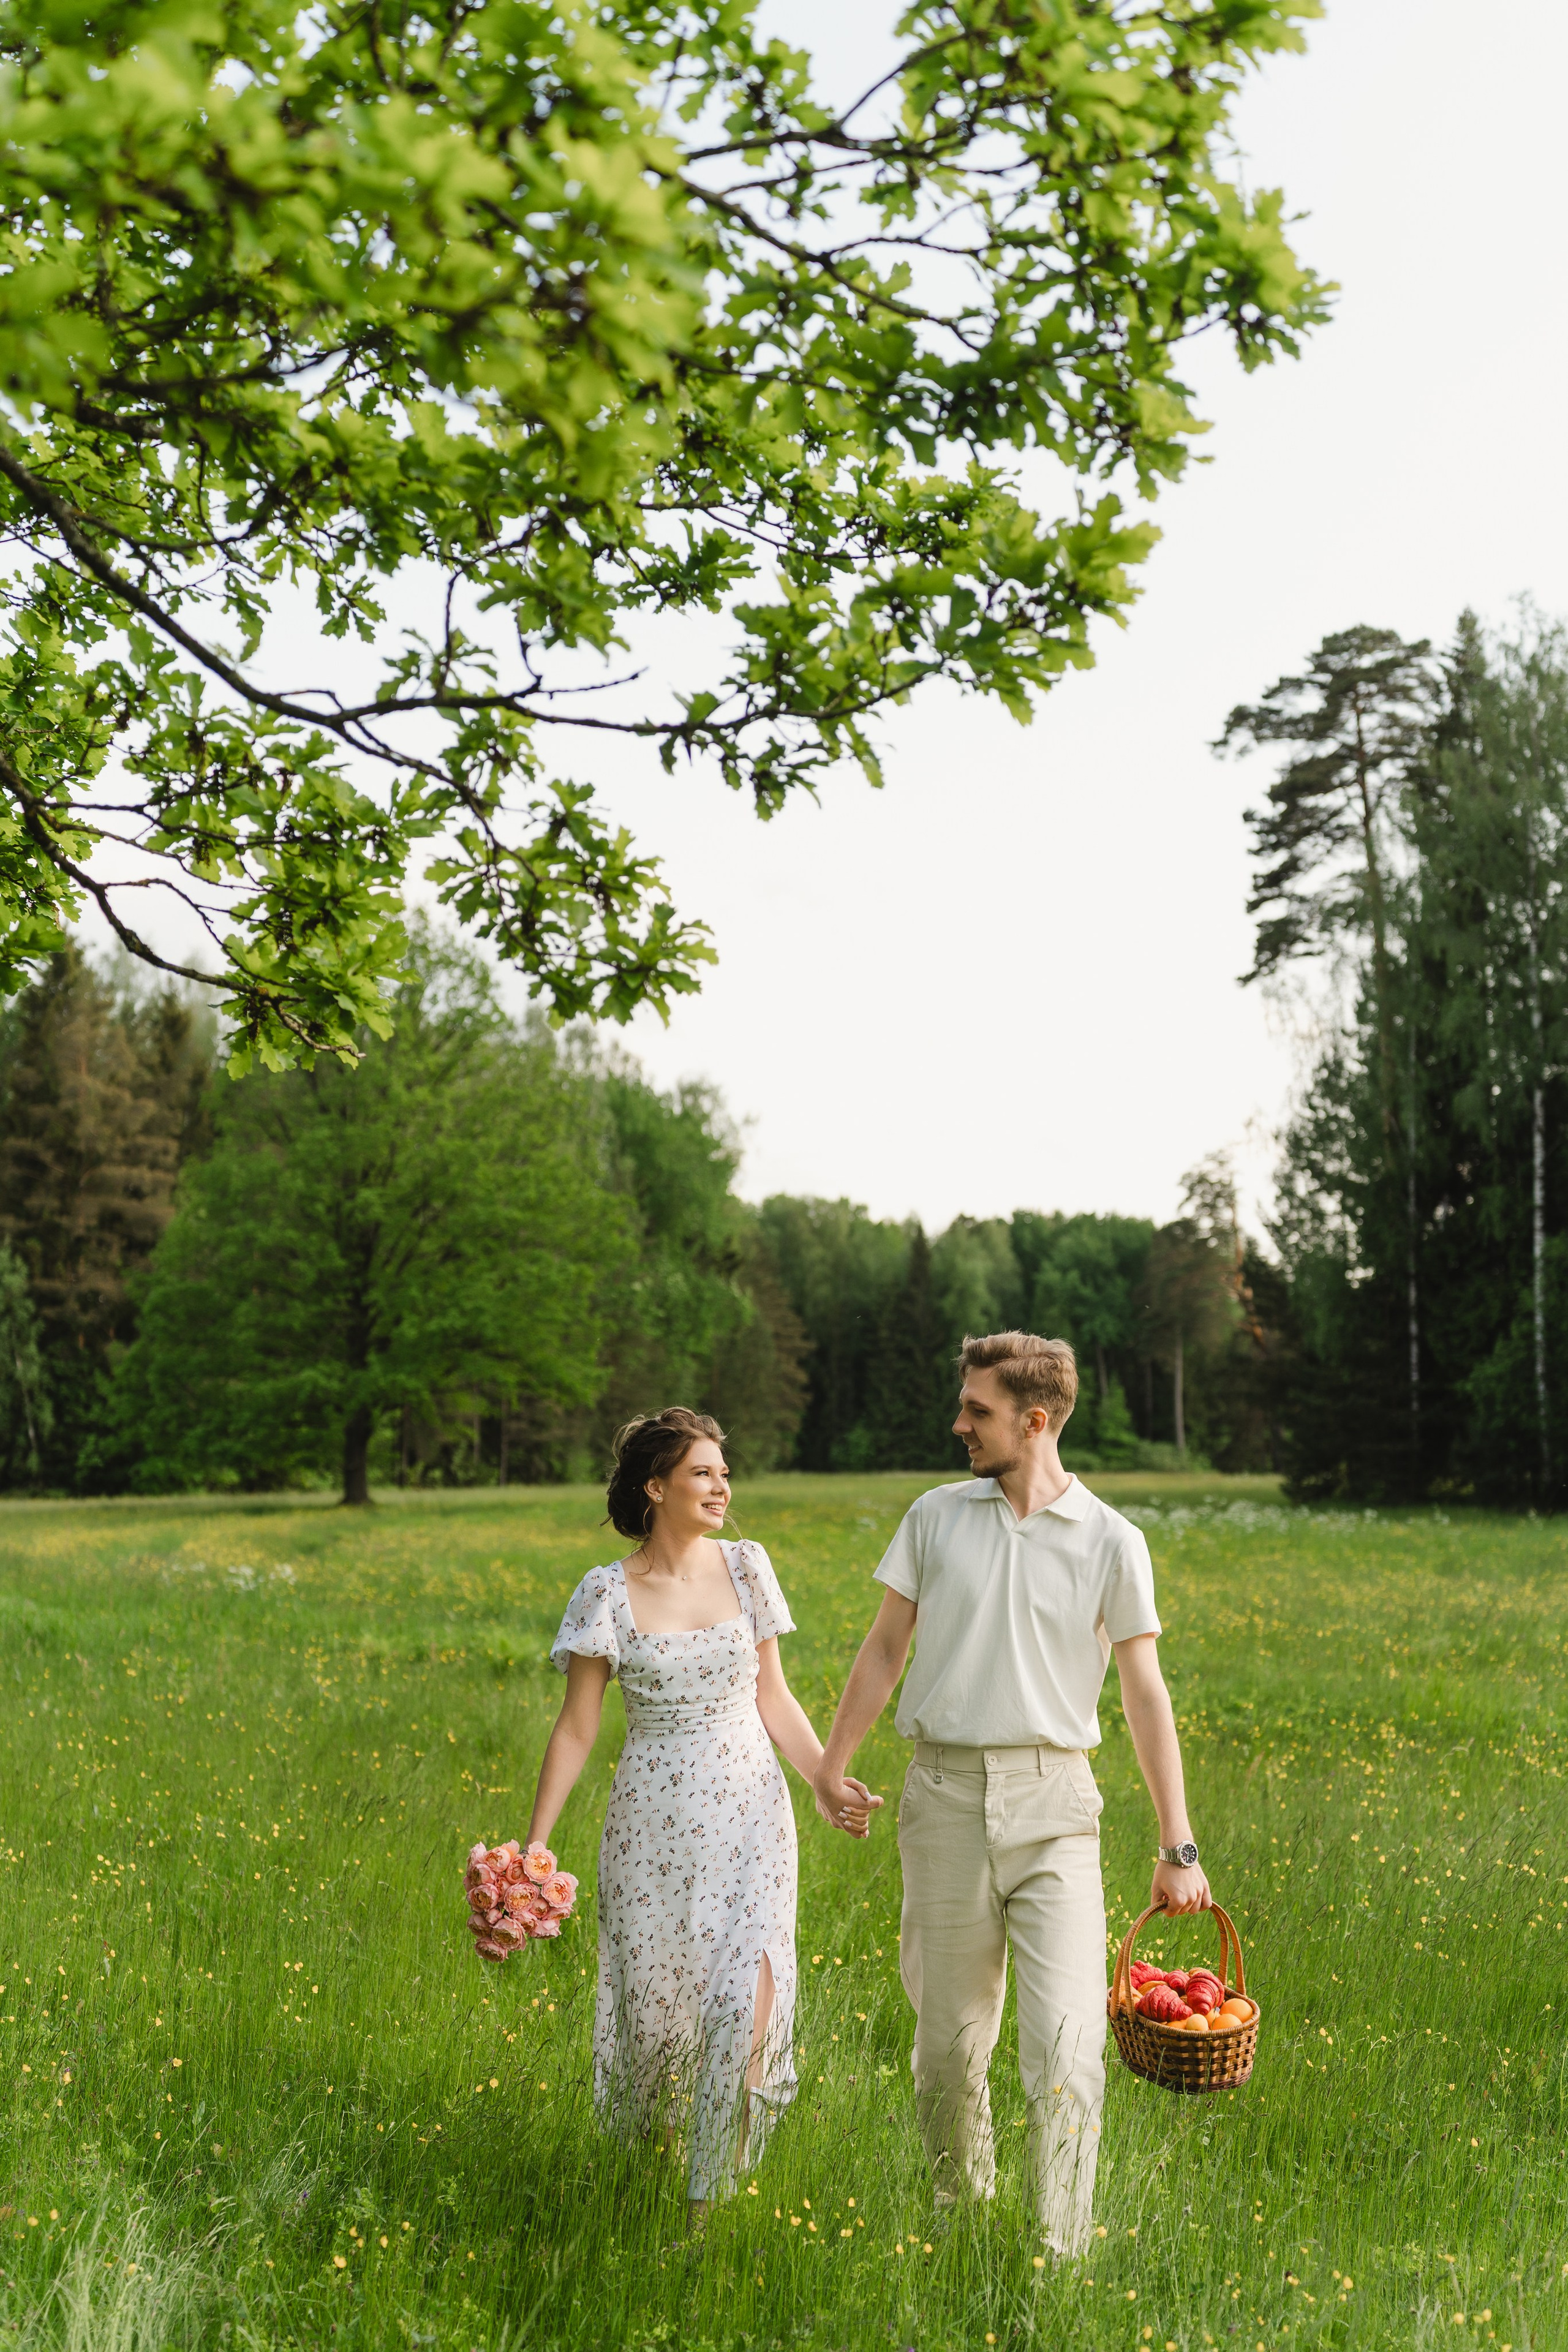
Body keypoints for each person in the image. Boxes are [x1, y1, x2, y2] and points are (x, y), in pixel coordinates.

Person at [812, 1331, 1209, 2258]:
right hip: (943, 1798)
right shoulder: (935, 1517)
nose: (959, 1424)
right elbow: (885, 1647)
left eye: (976, 1410)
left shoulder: (1112, 1541)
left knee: (1068, 2046)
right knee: (948, 2048)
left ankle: (1059, 2252)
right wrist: (833, 1762)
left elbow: (1145, 1693)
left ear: (1034, 1421)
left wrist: (1177, 1844)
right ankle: (962, 2224)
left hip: (1055, 1806)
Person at [529, 1407, 878, 2223]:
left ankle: (706, 2201)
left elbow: (773, 1695)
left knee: (744, 2006)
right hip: (650, 1826)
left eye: (724, 1473)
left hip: (752, 1816)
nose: (722, 1488)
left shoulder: (748, 1567)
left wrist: (826, 1779)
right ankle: (653, 2174)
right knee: (657, 2027)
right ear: (656, 1488)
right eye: (702, 1474)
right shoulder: (606, 1592)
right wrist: (536, 1846)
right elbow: (578, 1726)